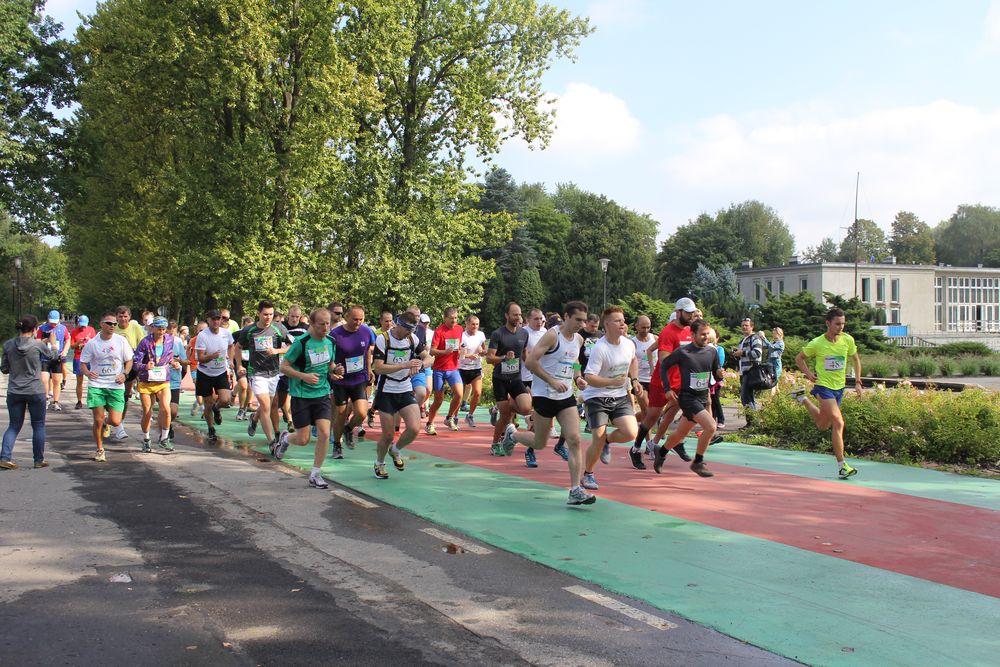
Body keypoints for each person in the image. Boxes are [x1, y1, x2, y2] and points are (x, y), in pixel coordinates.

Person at [498, 301, 594, 504]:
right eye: (578, 320)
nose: (582, 325)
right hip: (544, 395)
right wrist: (551, 380)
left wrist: (578, 377)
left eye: (584, 321)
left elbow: (574, 362)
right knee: (540, 443)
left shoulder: (578, 339)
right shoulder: (552, 335)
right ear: (566, 317)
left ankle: (575, 490)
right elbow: (531, 361)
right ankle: (513, 435)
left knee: (575, 439)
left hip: (565, 395)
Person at [274, 308, 345, 489]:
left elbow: (329, 363)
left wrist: (335, 370)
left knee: (324, 433)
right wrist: (303, 376)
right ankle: (286, 439)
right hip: (301, 395)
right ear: (312, 324)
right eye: (321, 324)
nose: (326, 327)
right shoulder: (301, 343)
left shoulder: (331, 341)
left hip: (322, 393)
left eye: (328, 323)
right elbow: (284, 367)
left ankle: (315, 473)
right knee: (303, 439)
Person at [792, 307, 863, 480]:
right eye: (837, 324)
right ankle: (842, 466)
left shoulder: (847, 340)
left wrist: (858, 382)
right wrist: (809, 374)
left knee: (823, 425)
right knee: (838, 422)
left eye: (843, 324)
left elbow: (856, 359)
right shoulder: (817, 343)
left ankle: (802, 399)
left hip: (839, 388)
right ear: (828, 323)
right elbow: (799, 358)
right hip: (823, 387)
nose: (841, 327)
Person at [578, 307, 641, 490]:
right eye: (617, 321)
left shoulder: (628, 344)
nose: (622, 323)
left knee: (631, 432)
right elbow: (589, 376)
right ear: (607, 325)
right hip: (597, 397)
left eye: (623, 320)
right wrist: (611, 381)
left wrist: (634, 380)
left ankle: (608, 441)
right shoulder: (600, 348)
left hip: (619, 396)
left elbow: (634, 361)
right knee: (597, 436)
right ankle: (588, 474)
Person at [653, 319, 725, 477]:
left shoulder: (712, 351)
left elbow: (715, 372)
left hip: (702, 397)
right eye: (702, 334)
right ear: (693, 335)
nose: (706, 337)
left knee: (680, 433)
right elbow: (664, 366)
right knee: (711, 426)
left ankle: (661, 452)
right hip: (687, 398)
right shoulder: (683, 352)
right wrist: (667, 388)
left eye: (708, 334)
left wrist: (719, 374)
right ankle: (698, 462)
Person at [630, 298, 696, 469]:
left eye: (692, 312)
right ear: (679, 312)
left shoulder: (689, 331)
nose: (691, 315)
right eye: (688, 312)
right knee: (650, 417)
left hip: (681, 383)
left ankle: (677, 441)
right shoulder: (668, 332)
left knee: (690, 411)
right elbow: (665, 361)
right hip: (662, 383)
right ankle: (636, 448)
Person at [371, 311, 431, 479]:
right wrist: (405, 365)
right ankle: (379, 462)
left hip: (404, 387)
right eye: (407, 330)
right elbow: (378, 368)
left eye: (412, 330)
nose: (409, 334)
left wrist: (420, 365)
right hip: (386, 390)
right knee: (388, 434)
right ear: (399, 325)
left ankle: (395, 450)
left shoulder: (412, 339)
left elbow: (429, 358)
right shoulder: (384, 339)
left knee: (414, 428)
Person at [234, 300, 291, 450]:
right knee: (265, 406)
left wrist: (277, 351)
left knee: (268, 405)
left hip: (273, 373)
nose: (268, 317)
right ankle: (273, 442)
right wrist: (239, 365)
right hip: (256, 373)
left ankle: (254, 418)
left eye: (271, 314)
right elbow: (238, 347)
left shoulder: (279, 328)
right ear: (258, 314)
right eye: (265, 314)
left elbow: (293, 345)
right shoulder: (249, 330)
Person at [80, 312, 135, 462]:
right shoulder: (92, 343)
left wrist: (125, 373)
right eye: (109, 323)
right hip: (97, 386)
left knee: (116, 421)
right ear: (101, 324)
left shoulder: (121, 341)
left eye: (114, 324)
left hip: (115, 385)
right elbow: (83, 363)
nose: (112, 326)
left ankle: (106, 423)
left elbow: (129, 360)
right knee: (97, 420)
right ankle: (99, 449)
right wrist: (88, 373)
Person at [1, 316, 53, 469]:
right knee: (38, 425)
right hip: (35, 390)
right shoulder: (38, 345)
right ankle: (38, 460)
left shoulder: (8, 345)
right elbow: (53, 357)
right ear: (35, 329)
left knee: (14, 425)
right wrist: (52, 343)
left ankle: (5, 457)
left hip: (14, 390)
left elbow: (4, 369)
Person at [328, 305, 376, 456]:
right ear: (347, 317)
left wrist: (369, 370)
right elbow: (328, 356)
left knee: (362, 413)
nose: (358, 322)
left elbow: (368, 350)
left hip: (358, 378)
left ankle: (348, 430)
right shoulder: (335, 334)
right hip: (341, 380)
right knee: (340, 414)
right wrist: (334, 370)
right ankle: (337, 445)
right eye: (355, 319)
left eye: (361, 319)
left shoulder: (366, 331)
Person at [487, 302, 531, 456]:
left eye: (519, 314)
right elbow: (489, 358)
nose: (518, 317)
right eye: (515, 314)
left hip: (516, 378)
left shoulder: (524, 334)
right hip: (500, 379)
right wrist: (504, 358)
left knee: (526, 408)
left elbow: (525, 354)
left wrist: (535, 366)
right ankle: (495, 443)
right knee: (505, 416)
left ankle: (508, 408)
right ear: (507, 316)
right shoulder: (498, 334)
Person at [133, 317, 179, 452]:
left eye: (164, 329)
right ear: (152, 328)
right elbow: (136, 364)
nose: (161, 332)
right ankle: (146, 439)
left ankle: (164, 438)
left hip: (163, 381)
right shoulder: (145, 342)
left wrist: (174, 363)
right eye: (159, 329)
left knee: (166, 408)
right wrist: (145, 366)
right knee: (148, 412)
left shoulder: (170, 340)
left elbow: (169, 357)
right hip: (146, 381)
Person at [194, 309, 235, 444]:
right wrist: (211, 357)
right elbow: (200, 358)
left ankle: (216, 410)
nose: (217, 321)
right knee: (208, 403)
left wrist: (230, 360)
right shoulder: (202, 336)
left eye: (219, 319)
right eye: (214, 319)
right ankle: (211, 429)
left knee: (225, 399)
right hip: (205, 373)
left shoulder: (226, 333)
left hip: (220, 372)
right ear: (208, 320)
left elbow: (231, 346)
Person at [425, 307, 465, 434]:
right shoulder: (439, 331)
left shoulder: (459, 329)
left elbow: (458, 344)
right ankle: (430, 423)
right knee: (439, 400)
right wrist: (445, 352)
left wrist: (459, 350)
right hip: (439, 369)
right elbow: (432, 351)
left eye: (456, 318)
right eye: (451, 318)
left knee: (459, 394)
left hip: (453, 368)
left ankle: (449, 418)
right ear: (445, 318)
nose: (454, 320)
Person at [112, 306, 146, 441]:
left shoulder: (135, 327)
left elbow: (143, 345)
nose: (123, 319)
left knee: (125, 396)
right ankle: (112, 420)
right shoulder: (113, 327)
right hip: (114, 366)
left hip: (130, 365)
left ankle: (120, 422)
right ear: (116, 317)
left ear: (130, 317)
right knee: (113, 394)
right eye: (120, 316)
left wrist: (135, 352)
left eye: (125, 316)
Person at [275, 305, 308, 432]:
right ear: (288, 315)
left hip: (297, 366)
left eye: (297, 317)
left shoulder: (305, 329)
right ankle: (256, 417)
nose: (294, 319)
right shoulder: (280, 327)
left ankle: (290, 421)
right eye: (292, 316)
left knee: (290, 394)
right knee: (278, 400)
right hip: (279, 365)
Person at [36, 310, 70, 411]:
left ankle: (56, 402)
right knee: (44, 379)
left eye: (55, 322)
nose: (53, 324)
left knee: (56, 380)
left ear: (59, 320)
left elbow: (67, 340)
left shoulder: (63, 328)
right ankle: (45, 399)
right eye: (51, 322)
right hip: (45, 357)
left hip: (57, 357)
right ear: (48, 319)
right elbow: (37, 342)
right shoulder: (42, 328)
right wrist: (47, 340)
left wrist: (65, 351)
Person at [458, 315, 487, 428]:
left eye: (477, 324)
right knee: (459, 395)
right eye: (473, 324)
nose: (475, 326)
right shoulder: (462, 336)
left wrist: (482, 351)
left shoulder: (481, 335)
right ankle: (454, 417)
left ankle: (470, 415)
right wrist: (469, 356)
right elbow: (459, 353)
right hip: (462, 368)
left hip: (476, 368)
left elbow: (484, 349)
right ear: (467, 324)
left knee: (477, 392)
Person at [733, 317, 767, 413]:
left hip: (751, 371)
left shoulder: (755, 338)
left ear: (752, 327)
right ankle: (752, 423)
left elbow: (757, 353)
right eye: (742, 325)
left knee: (746, 398)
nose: (744, 327)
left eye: (746, 325)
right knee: (747, 398)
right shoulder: (742, 340)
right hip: (744, 372)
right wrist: (736, 354)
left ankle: (752, 423)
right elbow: (742, 356)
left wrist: (742, 353)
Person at [630, 315, 656, 421]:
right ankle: (647, 437)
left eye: (648, 327)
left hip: (654, 379)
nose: (646, 330)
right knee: (646, 409)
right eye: (643, 327)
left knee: (653, 411)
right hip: (640, 380)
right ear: (636, 326)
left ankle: (631, 420)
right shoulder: (632, 343)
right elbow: (630, 363)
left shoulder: (655, 338)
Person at [167, 323, 189, 441]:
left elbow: (185, 361)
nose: (171, 333)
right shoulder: (157, 342)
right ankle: (165, 432)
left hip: (174, 380)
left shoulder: (178, 342)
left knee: (173, 411)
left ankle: (168, 424)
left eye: (173, 331)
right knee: (165, 409)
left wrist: (178, 361)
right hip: (161, 381)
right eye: (168, 330)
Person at [70, 315, 96, 409]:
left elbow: (96, 343)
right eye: (81, 325)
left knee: (92, 380)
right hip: (78, 357)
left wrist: (90, 341)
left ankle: (92, 401)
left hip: (90, 358)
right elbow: (72, 346)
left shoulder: (91, 330)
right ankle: (79, 401)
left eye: (84, 325)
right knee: (79, 381)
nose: (83, 327)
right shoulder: (74, 331)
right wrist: (78, 343)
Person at [769, 327, 785, 395]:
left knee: (773, 382)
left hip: (776, 365)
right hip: (771, 363)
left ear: (779, 334)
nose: (773, 335)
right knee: (775, 384)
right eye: (773, 333)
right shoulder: (772, 342)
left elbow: (771, 347)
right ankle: (780, 398)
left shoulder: (780, 343)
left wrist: (764, 338)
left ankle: (769, 400)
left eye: (774, 333)